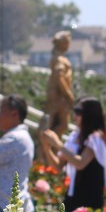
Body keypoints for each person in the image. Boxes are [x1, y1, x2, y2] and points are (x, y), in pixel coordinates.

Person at [42, 97, 106, 212]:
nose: (75, 115)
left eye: (78, 112)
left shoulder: (96, 138)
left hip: (90, 204)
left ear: (89, 115)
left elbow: (80, 163)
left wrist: (57, 144)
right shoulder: (75, 137)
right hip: (72, 200)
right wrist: (47, 147)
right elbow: (59, 166)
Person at [38, 31, 74, 166]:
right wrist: (69, 95)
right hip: (59, 97)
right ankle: (46, 150)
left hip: (59, 96)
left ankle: (49, 149)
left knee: (59, 124)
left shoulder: (58, 57)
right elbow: (59, 77)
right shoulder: (59, 59)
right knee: (60, 124)